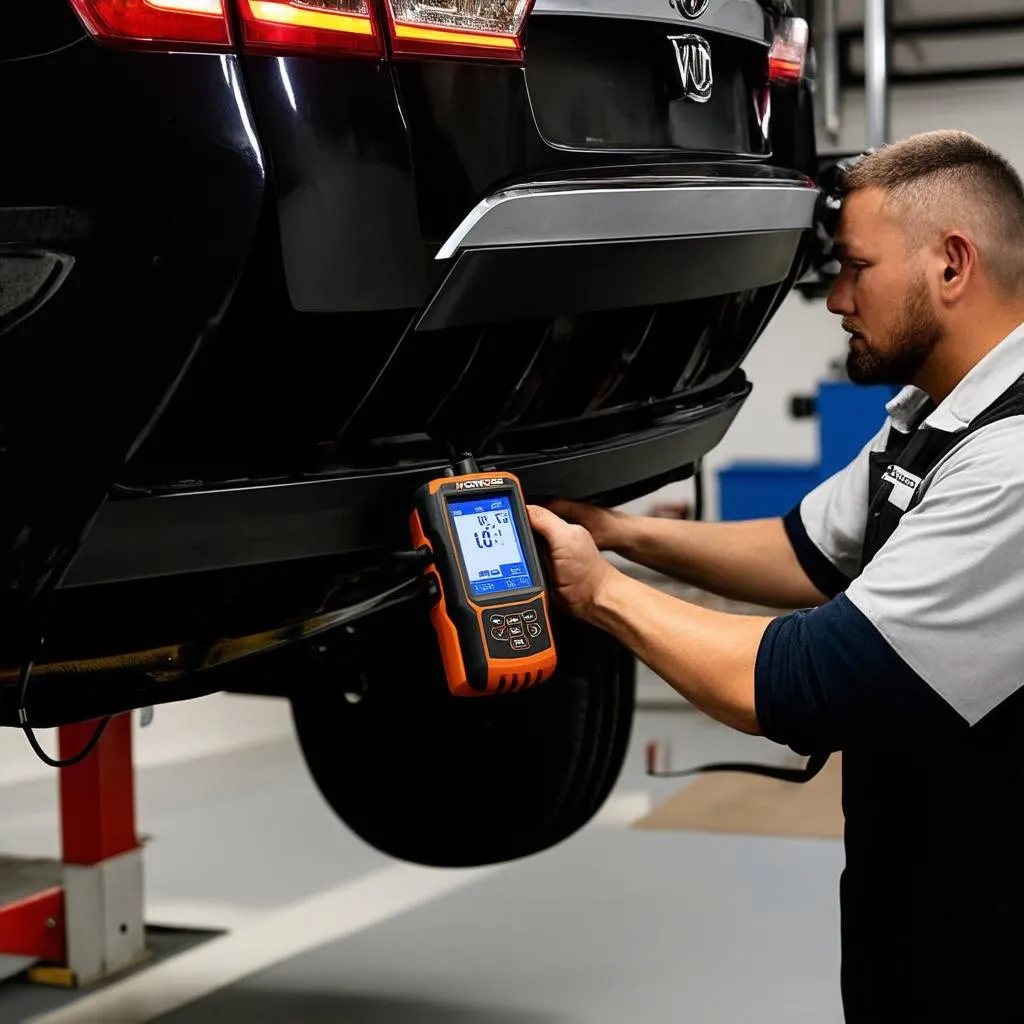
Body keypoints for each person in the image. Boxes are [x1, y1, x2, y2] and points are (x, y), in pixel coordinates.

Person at [527, 130, 1024, 1023]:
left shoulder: (1015, 461)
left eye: (856, 267)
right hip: (914, 888)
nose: (836, 299)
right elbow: (803, 551)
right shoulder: (935, 414)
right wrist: (617, 533)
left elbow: (804, 681)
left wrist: (595, 592)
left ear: (952, 265)